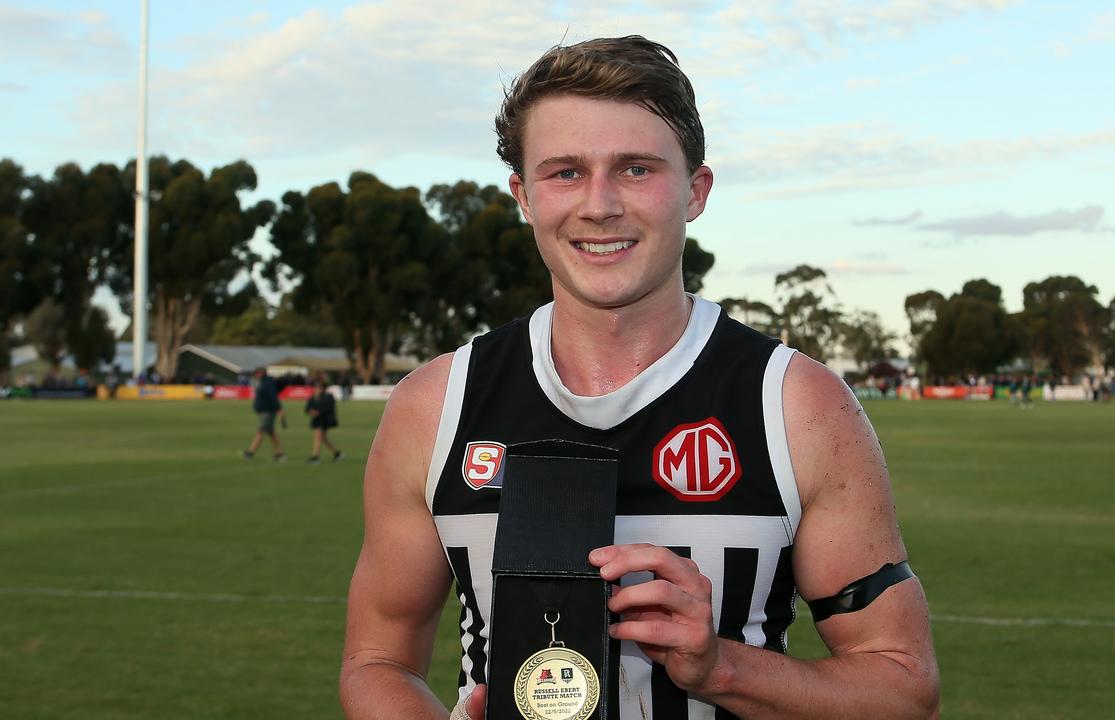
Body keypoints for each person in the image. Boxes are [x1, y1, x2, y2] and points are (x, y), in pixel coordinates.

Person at [340, 36, 939, 720]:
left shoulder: (796, 404)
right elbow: (377, 660)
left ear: (696, 190)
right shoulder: (436, 406)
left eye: (635, 169)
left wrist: (719, 668)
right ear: (524, 196)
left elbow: (904, 691)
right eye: (565, 171)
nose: (598, 205)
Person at [242, 367, 286, 461]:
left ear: (261, 373)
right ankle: (280, 453)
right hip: (264, 411)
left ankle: (250, 452)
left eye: (256, 374)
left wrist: (279, 409)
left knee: (261, 431)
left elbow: (273, 397)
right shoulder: (263, 382)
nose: (255, 376)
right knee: (271, 433)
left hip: (268, 411)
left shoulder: (268, 383)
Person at [305, 377, 343, 464]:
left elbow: (327, 408)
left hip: (324, 420)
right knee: (323, 438)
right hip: (317, 420)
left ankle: (315, 457)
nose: (316, 389)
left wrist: (317, 412)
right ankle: (337, 453)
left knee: (318, 436)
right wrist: (311, 411)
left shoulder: (328, 397)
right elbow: (307, 408)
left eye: (318, 387)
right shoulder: (313, 397)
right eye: (316, 387)